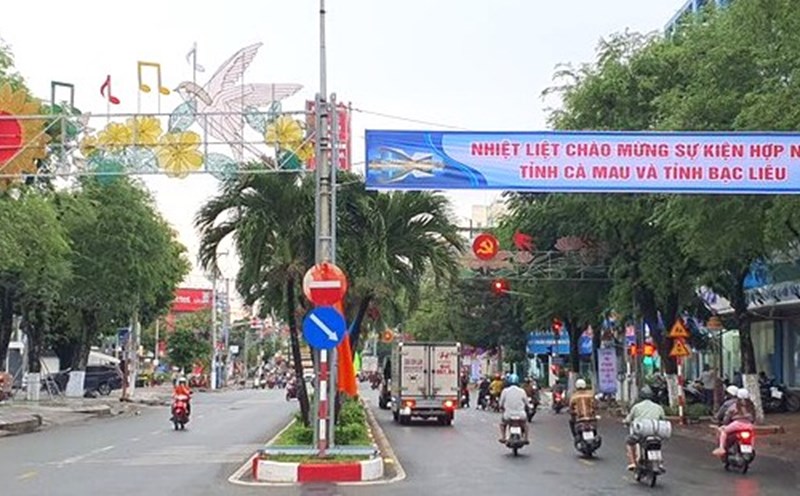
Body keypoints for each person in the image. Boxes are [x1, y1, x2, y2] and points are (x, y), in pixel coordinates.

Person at [623, 386, 666, 471]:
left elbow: (628, 419)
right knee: (658, 444)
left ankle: (632, 463)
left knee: (629, 442)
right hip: (655, 432)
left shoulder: (637, 407)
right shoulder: (658, 407)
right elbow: (663, 420)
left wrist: (626, 422)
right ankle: (660, 463)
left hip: (641, 433)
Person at [713, 388, 756, 457]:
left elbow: (728, 416)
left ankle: (721, 448)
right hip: (749, 425)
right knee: (752, 435)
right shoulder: (751, 406)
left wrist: (725, 424)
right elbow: (753, 417)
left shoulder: (735, 406)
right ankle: (751, 448)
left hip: (737, 424)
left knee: (723, 432)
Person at [498, 374, 529, 443]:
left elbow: (501, 403)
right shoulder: (522, 391)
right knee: (525, 424)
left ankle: (503, 437)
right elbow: (527, 403)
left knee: (502, 424)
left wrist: (501, 407)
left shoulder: (505, 391)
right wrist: (528, 407)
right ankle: (526, 438)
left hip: (508, 415)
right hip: (521, 415)